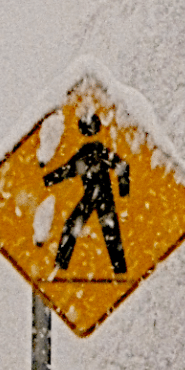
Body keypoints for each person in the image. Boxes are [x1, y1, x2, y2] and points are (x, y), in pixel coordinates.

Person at [43, 114, 129, 274]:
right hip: (94, 196)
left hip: (100, 195)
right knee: (105, 232)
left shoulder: (98, 150)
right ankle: (61, 267)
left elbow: (122, 166)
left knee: (109, 233)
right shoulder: (88, 151)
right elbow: (68, 170)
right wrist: (47, 180)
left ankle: (120, 271)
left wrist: (124, 192)